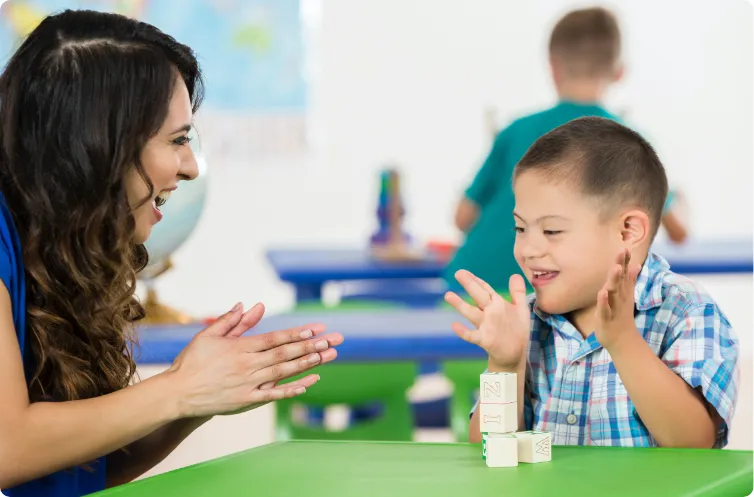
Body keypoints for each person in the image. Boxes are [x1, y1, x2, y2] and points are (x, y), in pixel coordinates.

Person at [0, 9, 344, 497]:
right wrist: (181, 388)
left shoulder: (51, 247)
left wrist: (200, 396)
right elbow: (8, 450)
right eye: (178, 140)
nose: (191, 167)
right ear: (100, 145)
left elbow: (73, 470)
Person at [445, 116, 739, 448]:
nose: (527, 249)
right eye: (520, 228)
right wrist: (505, 365)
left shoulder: (686, 312)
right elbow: (488, 451)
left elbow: (694, 444)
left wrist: (624, 342)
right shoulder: (526, 321)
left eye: (552, 230)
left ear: (627, 232)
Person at [445, 6, 687, 294]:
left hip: (471, 290)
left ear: (553, 67)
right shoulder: (630, 143)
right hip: (551, 306)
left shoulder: (516, 130)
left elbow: (462, 218)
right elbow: (678, 231)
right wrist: (681, 204)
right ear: (619, 72)